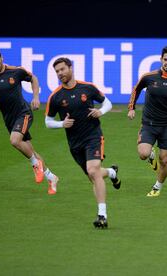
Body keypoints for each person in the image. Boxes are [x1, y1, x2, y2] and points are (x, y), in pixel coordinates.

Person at [45, 57, 121, 228]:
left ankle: (102, 215)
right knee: (94, 176)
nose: (60, 73)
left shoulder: (87, 87)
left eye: (63, 69)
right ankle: (111, 172)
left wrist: (100, 112)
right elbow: (47, 121)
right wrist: (61, 124)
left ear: (70, 68)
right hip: (75, 144)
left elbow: (107, 102)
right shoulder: (56, 97)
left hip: (93, 136)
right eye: (57, 71)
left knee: (93, 171)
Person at [0, 46, 59, 195]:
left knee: (15, 140)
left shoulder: (16, 71)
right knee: (30, 150)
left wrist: (36, 97)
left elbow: (33, 78)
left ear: (1, 57)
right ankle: (51, 177)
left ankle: (35, 165)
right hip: (9, 120)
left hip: (23, 114)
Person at [127, 46, 167, 197]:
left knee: (165, 161)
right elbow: (136, 89)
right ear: (161, 59)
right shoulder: (149, 77)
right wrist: (131, 107)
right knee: (143, 154)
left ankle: (157, 187)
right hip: (148, 124)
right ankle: (150, 156)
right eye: (165, 59)